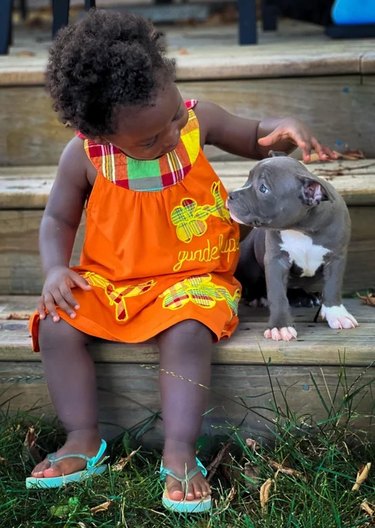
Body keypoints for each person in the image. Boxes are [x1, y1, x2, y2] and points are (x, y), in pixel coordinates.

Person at [26, 9, 336, 512]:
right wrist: (56, 269)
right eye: (150, 138)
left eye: (173, 115)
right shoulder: (83, 157)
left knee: (189, 328)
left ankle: (179, 448)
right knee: (58, 325)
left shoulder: (197, 121)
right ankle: (84, 437)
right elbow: (58, 220)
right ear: (100, 134)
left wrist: (282, 125)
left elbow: (254, 130)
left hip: (194, 275)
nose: (172, 134)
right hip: (114, 279)